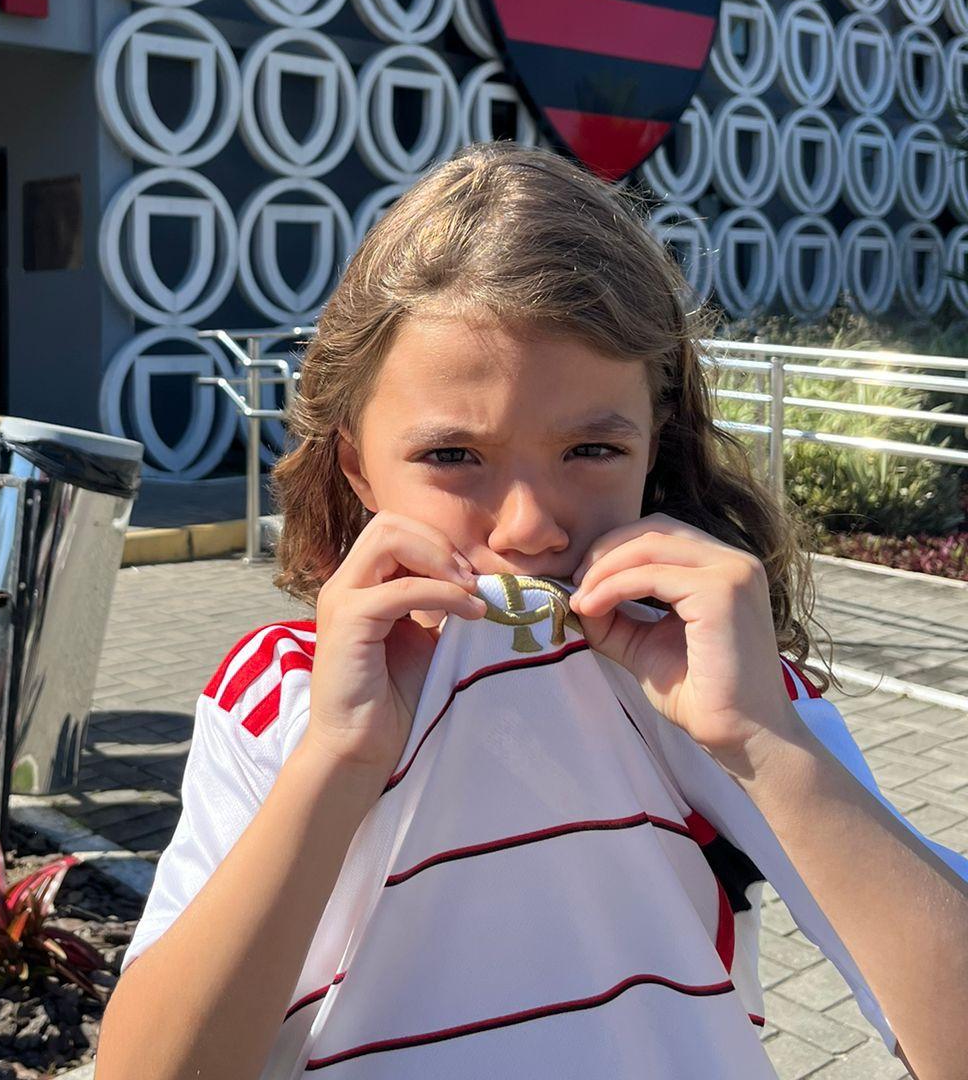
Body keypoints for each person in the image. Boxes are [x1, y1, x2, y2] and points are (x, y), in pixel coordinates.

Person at [95, 141, 968, 1080]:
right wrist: (337, 761)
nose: (530, 528)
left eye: (591, 450)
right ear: (356, 465)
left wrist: (759, 738)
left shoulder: (720, 679)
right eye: (452, 458)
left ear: (652, 449)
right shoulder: (282, 692)